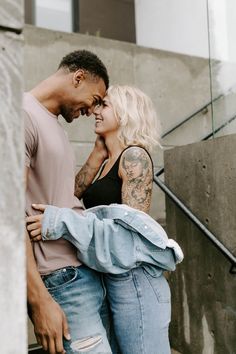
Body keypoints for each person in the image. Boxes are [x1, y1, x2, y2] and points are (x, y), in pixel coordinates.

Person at [27, 86, 184, 354]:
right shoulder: (105, 161)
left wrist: (61, 223)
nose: (95, 111)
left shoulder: (135, 157)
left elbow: (130, 237)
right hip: (110, 280)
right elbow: (70, 196)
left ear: (125, 113)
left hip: (136, 283)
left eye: (105, 106)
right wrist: (97, 154)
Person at [24, 49, 113, 354]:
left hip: (83, 272)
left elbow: (63, 197)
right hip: (60, 281)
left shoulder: (52, 124)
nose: (93, 111)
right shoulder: (21, 115)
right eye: (96, 99)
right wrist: (38, 300)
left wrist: (98, 154)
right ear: (78, 78)